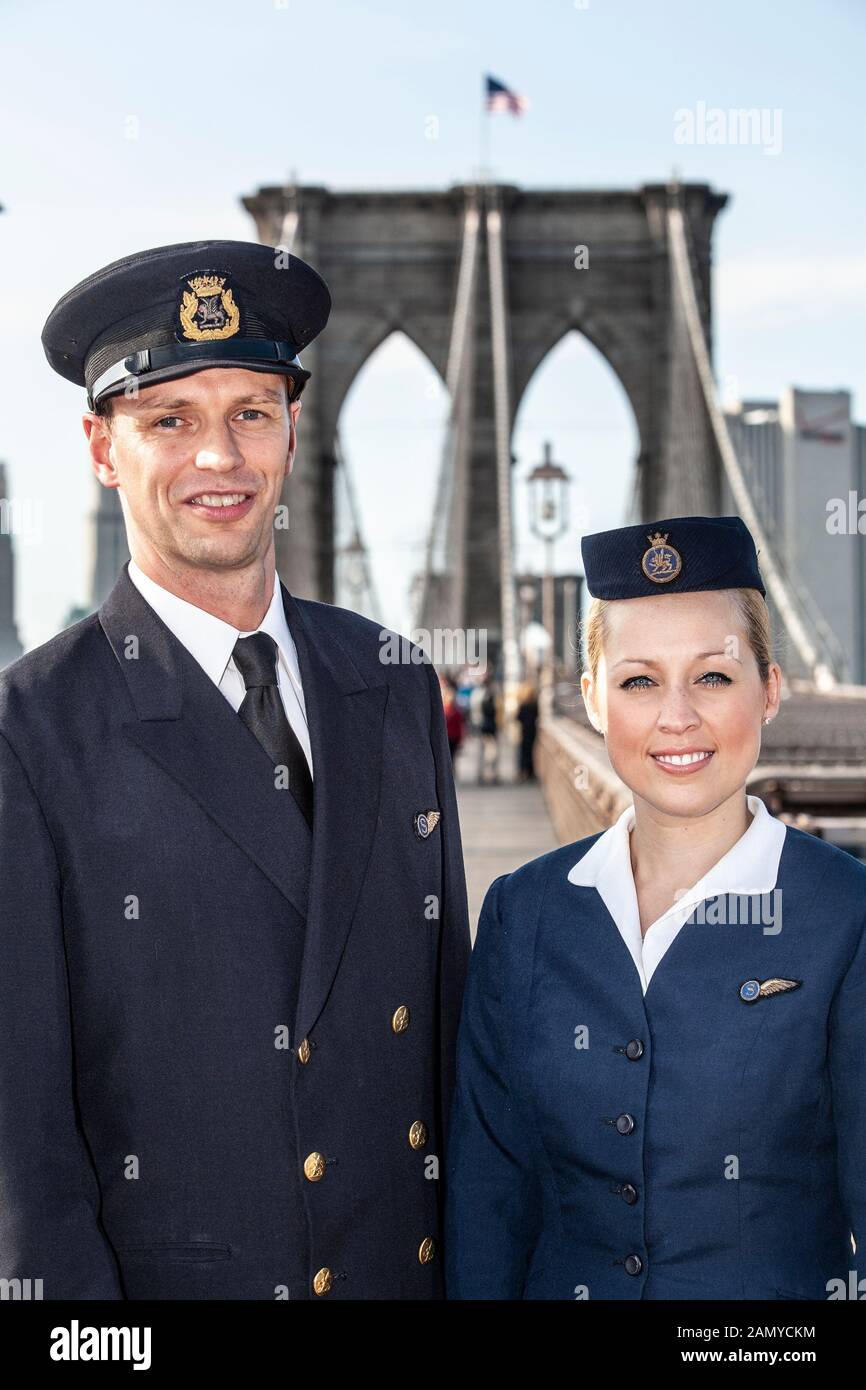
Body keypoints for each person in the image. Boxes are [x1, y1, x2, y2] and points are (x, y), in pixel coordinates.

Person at [0, 240, 470, 1300]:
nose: (220, 456)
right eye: (169, 419)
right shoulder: (29, 732)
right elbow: (21, 1150)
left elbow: (443, 1053)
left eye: (251, 411)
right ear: (100, 448)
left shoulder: (394, 683)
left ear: (293, 432)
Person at [445, 515, 866, 1300]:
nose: (677, 716)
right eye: (639, 680)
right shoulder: (522, 913)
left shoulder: (849, 916)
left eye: (713, 676)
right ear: (594, 702)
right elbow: (488, 1196)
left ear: (770, 690)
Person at [515, 682, 539, 781]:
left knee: (523, 752)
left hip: (524, 732)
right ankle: (530, 772)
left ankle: (523, 772)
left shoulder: (523, 705)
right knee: (530, 752)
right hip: (532, 731)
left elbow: (518, 718)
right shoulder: (534, 705)